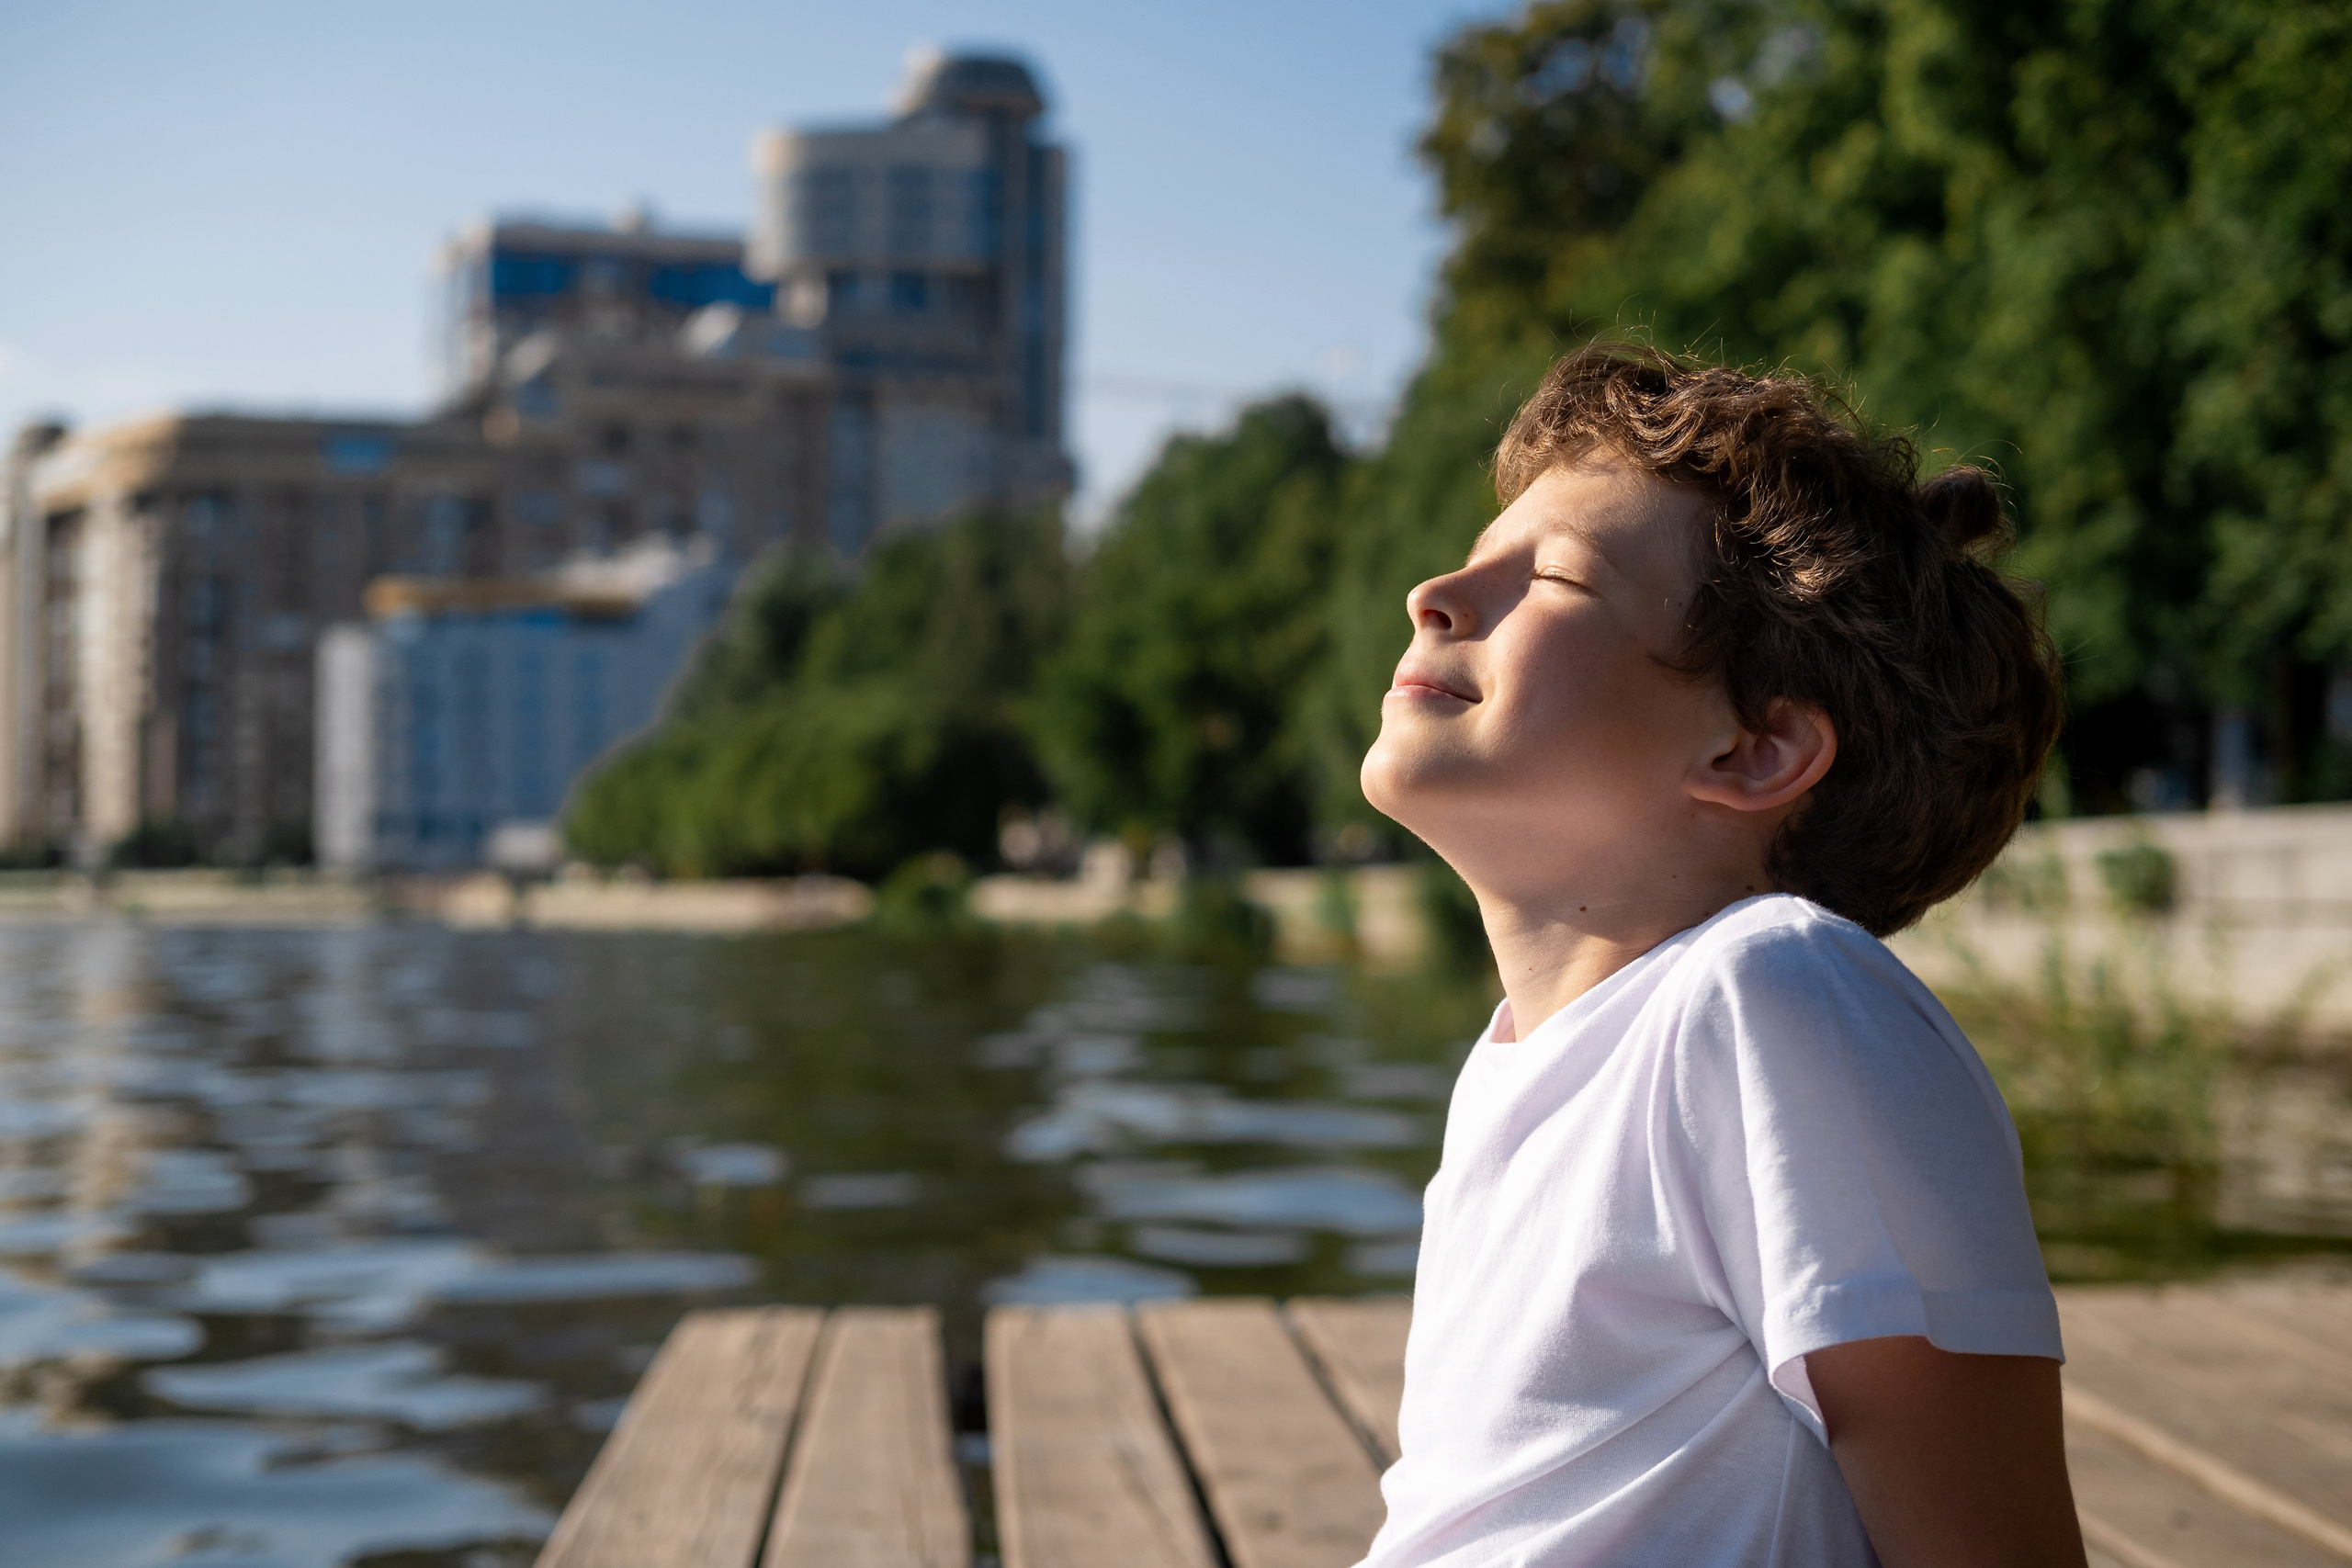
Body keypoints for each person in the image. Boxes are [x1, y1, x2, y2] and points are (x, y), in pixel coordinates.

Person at [1355, 344, 2083, 1567]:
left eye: (1555, 580)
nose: (1437, 590)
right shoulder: (1525, 1067)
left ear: (1752, 754)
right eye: (1482, 555)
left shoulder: (1775, 994)